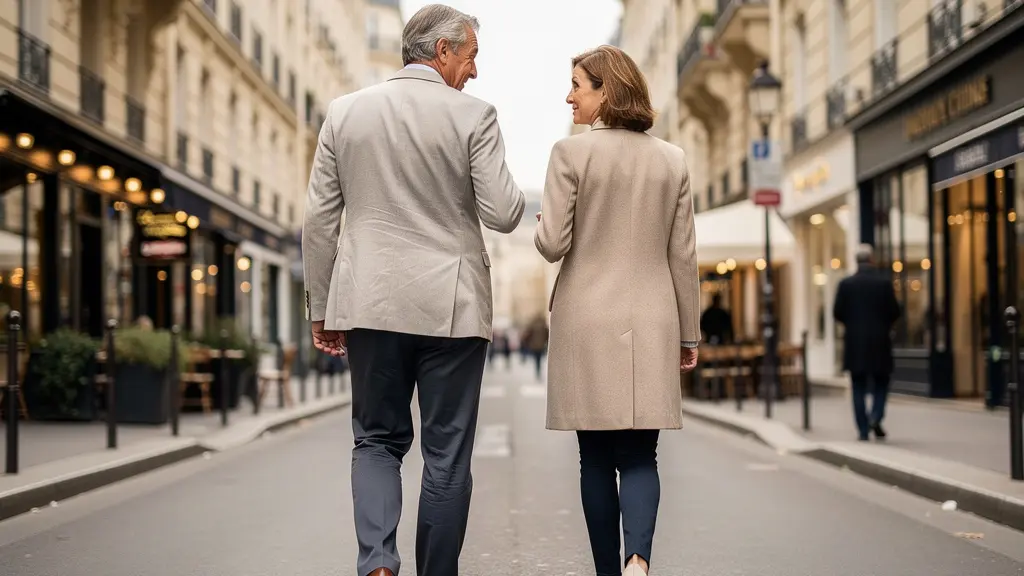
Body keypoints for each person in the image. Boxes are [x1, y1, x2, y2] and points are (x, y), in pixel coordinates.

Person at [301, 5, 525, 576]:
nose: (475, 71)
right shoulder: (475, 116)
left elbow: (319, 221)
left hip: (369, 303)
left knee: (376, 441)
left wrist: (321, 309)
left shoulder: (344, 114)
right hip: (452, 311)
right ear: (443, 51)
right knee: (446, 457)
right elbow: (502, 214)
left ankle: (377, 564)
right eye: (471, 55)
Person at [535, 45, 700, 576]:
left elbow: (552, 244)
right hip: (653, 320)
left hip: (586, 320)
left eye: (577, 85)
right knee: (639, 456)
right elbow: (684, 257)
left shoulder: (569, 153)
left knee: (595, 460)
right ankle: (638, 559)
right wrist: (689, 335)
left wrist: (544, 220)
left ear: (606, 90)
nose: (570, 96)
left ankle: (609, 570)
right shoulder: (672, 159)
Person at [833, 243, 901, 441]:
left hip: (855, 343)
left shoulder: (846, 284)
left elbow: (837, 312)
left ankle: (863, 429)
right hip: (880, 341)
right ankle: (876, 416)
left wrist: (853, 325)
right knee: (881, 383)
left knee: (858, 386)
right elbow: (895, 312)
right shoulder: (883, 284)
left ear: (856, 261)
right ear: (872, 260)